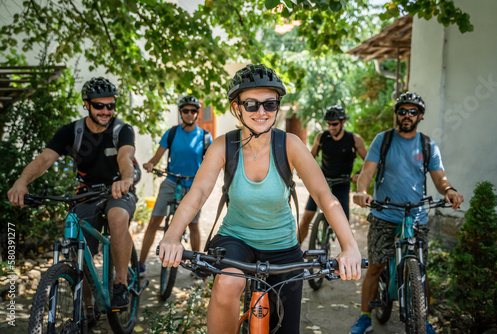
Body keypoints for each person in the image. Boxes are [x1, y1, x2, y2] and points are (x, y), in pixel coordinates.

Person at [158, 64, 362, 334]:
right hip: (236, 239)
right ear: (236, 107)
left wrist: (350, 247)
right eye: (251, 104)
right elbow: (197, 194)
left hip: (283, 247)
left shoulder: (289, 144)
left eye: (270, 104)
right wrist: (172, 237)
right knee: (228, 283)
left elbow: (325, 196)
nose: (261, 112)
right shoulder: (223, 146)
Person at [7, 77, 137, 326]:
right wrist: (22, 182)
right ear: (86, 105)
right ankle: (88, 308)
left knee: (118, 217)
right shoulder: (71, 131)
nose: (106, 111)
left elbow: (126, 157)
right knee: (80, 247)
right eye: (99, 106)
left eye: (111, 106)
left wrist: (126, 179)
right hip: (86, 192)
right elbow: (44, 160)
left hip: (118, 189)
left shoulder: (122, 130)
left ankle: (120, 283)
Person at [349, 92, 464, 334]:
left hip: (417, 217)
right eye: (402, 111)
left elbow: (439, 178)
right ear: (396, 114)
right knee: (376, 266)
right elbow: (367, 172)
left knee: (420, 270)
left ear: (420, 116)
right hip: (385, 213)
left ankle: (424, 319)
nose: (407, 115)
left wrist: (449, 190)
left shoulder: (427, 145)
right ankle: (364, 317)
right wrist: (362, 191)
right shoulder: (383, 140)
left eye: (413, 112)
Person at [139, 95, 213, 276]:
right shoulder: (172, 133)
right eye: (186, 111)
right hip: (171, 181)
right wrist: (150, 164)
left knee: (193, 225)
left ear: (197, 114)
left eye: (193, 111)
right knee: (154, 220)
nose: (189, 114)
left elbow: (211, 161)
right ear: (181, 113)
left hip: (193, 185)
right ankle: (139, 265)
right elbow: (157, 157)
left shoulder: (204, 136)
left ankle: (196, 267)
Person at [298, 105, 367, 243]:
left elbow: (368, 162)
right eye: (328, 124)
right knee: (306, 217)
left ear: (342, 122)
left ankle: (343, 260)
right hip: (322, 181)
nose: (331, 127)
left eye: (334, 124)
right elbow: (311, 157)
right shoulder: (322, 137)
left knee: (344, 226)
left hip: (342, 183)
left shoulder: (354, 139)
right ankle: (293, 252)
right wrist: (303, 169)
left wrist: (359, 173)